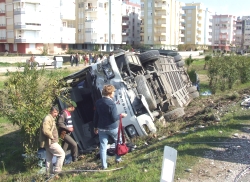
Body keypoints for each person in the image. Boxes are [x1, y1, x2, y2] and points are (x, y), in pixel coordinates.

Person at [93, 84, 127, 169]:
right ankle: (118, 159)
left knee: (103, 147)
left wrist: (95, 126)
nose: (114, 93)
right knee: (118, 142)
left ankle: (104, 165)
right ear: (110, 93)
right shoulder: (111, 103)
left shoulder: (98, 102)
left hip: (101, 127)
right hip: (112, 127)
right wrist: (121, 115)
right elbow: (114, 117)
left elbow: (96, 115)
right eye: (113, 92)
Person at [39, 106, 65, 175]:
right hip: (51, 142)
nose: (56, 114)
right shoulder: (47, 119)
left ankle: (49, 174)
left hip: (49, 142)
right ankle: (57, 171)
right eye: (55, 112)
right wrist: (51, 136)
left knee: (49, 159)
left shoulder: (51, 118)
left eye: (57, 112)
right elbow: (45, 130)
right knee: (61, 154)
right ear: (51, 111)